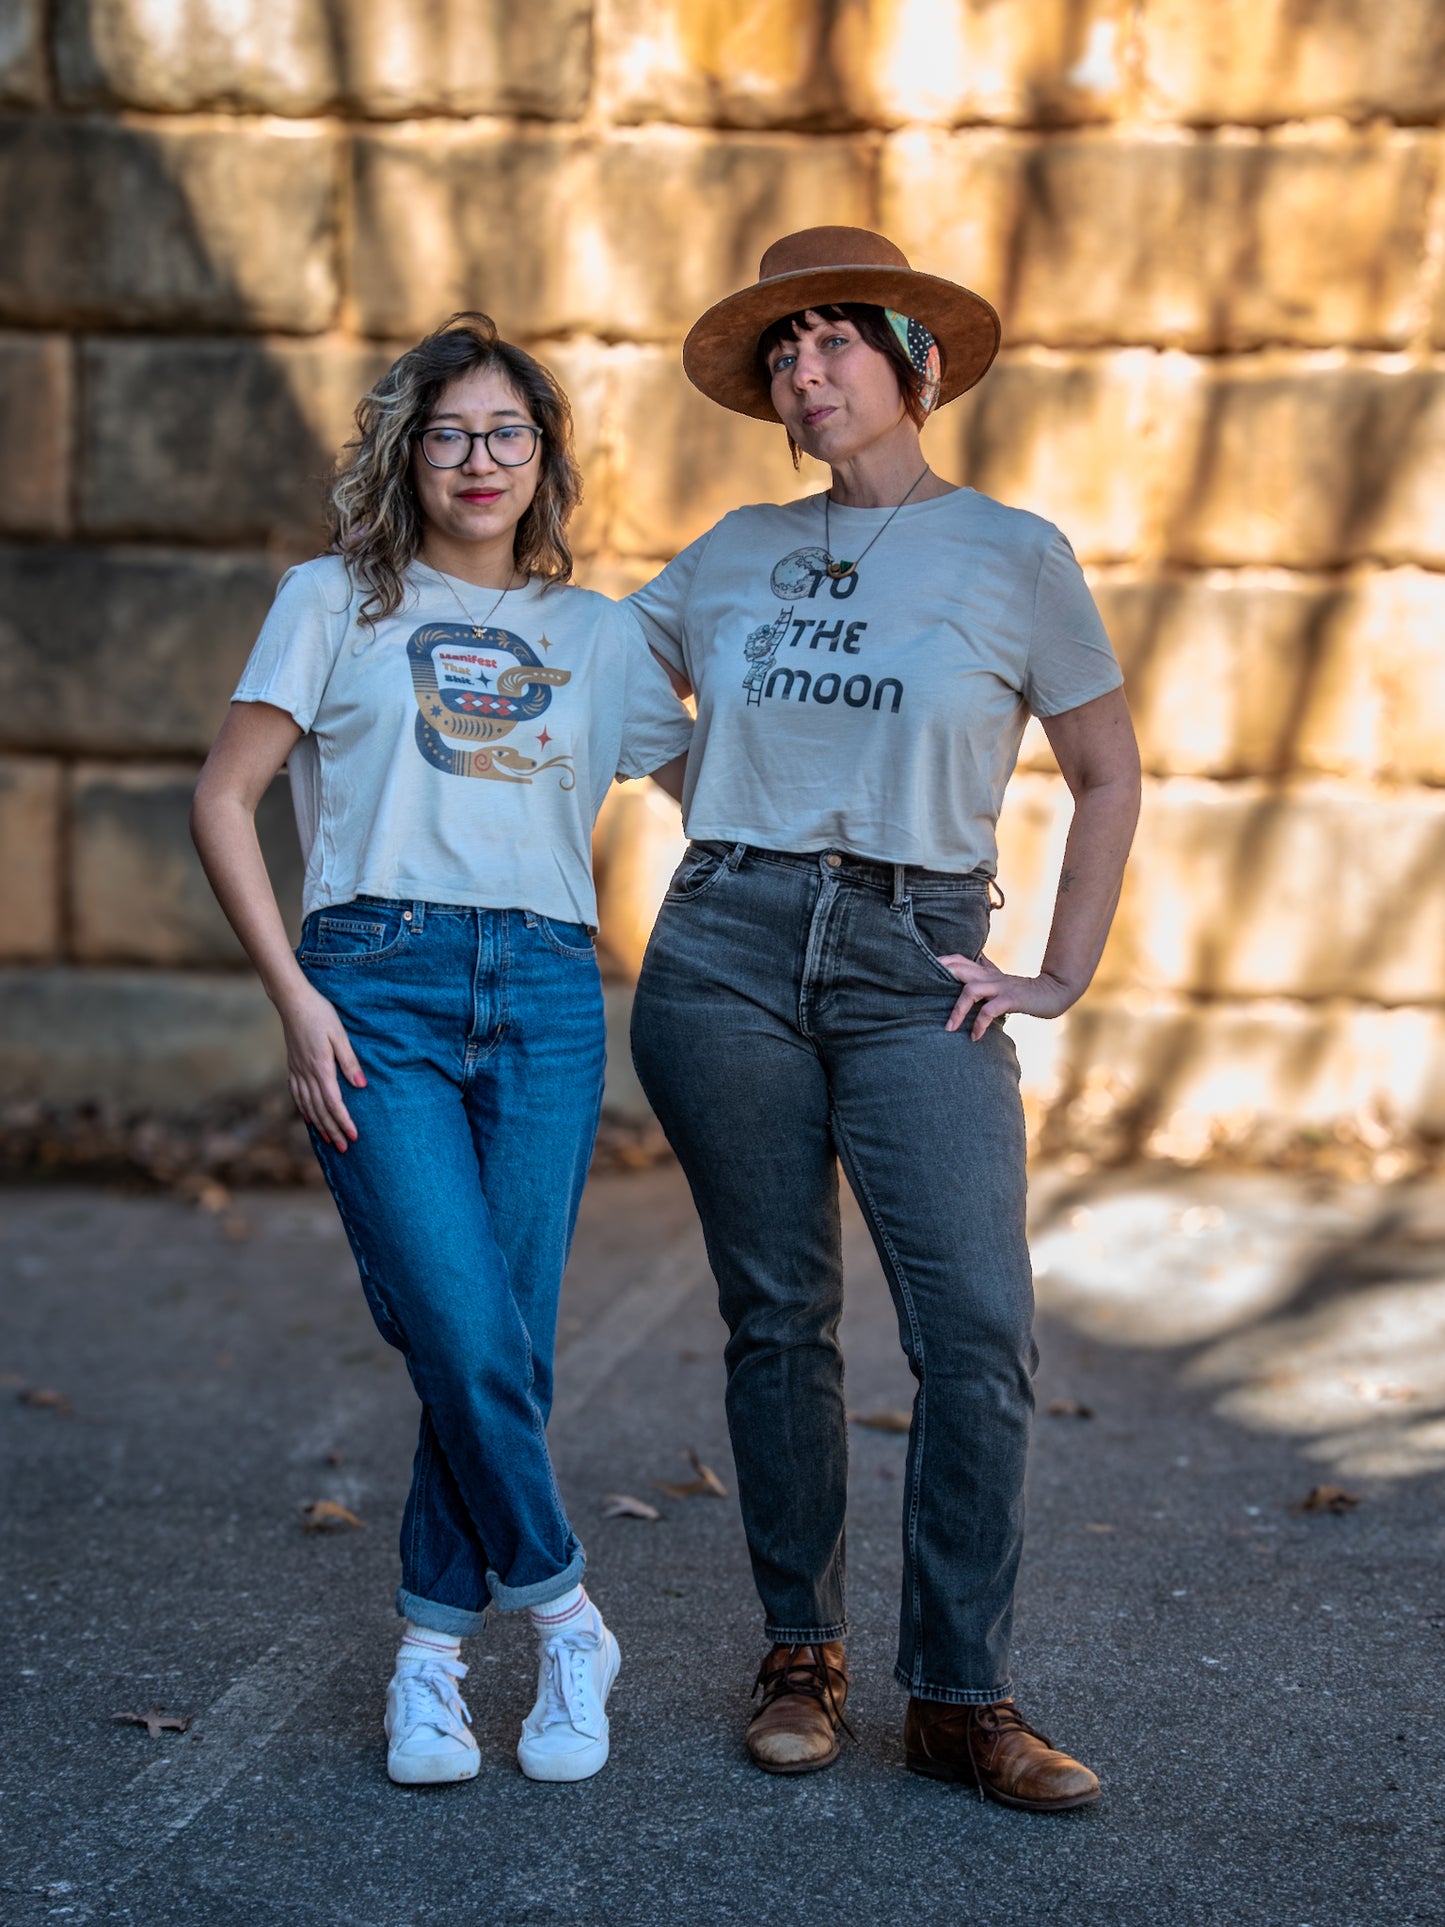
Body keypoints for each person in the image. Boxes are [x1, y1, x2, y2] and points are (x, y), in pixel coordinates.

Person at [627, 228, 1140, 1810]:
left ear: (912, 366)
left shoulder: (1010, 554)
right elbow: (605, 689)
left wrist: (1055, 972)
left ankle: (956, 1696)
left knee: (975, 1329)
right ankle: (800, 1656)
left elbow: (1106, 770)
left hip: (917, 956)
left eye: (836, 340)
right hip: (724, 944)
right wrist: (730, 808)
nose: (804, 371)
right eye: (783, 352)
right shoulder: (725, 552)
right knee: (778, 1316)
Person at [191, 312, 693, 1788]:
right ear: (407, 454)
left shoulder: (597, 637)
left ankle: (428, 1660)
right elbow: (226, 801)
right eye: (450, 434)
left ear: (545, 461)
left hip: (541, 997)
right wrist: (294, 996)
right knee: (463, 1332)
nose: (480, 462)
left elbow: (724, 782)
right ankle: (564, 1612)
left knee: (501, 1349)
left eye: (508, 435)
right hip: (374, 992)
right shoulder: (330, 600)